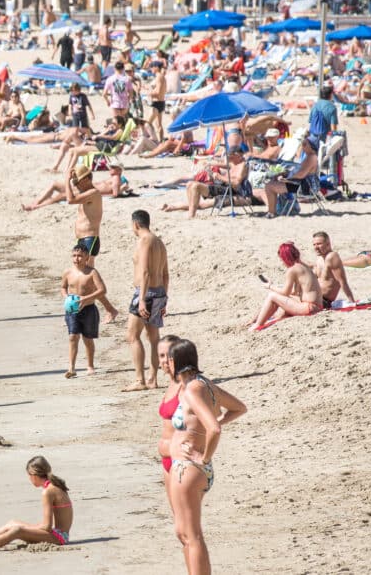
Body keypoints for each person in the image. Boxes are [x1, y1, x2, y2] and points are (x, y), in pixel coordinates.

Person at [166, 339, 246, 575]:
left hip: (189, 468)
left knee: (191, 535)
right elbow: (239, 408)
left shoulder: (192, 390)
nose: (165, 365)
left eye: (167, 360)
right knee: (184, 533)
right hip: (191, 469)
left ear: (176, 361)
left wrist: (204, 456)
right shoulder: (204, 384)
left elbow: (214, 428)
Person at [0, 456, 74, 553]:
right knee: (13, 523)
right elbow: (47, 526)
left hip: (59, 538)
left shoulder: (48, 491)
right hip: (57, 533)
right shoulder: (53, 485)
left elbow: (47, 527)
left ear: (34, 474)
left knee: (16, 530)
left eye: (29, 475)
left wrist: (25, 529)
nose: (29, 479)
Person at [125, 210, 170, 391]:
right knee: (153, 338)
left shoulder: (144, 241)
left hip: (146, 293)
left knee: (132, 335)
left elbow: (144, 272)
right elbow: (166, 275)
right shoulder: (159, 242)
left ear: (135, 224)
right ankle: (153, 379)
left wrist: (141, 299)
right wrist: (164, 299)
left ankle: (140, 380)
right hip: (159, 293)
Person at [249, 242, 325, 330]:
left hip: (310, 308)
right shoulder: (303, 266)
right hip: (317, 306)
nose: (282, 262)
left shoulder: (292, 270)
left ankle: (257, 325)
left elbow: (286, 292)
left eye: (281, 259)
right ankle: (256, 319)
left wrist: (270, 286)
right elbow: (295, 292)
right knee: (278, 297)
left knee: (272, 296)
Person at [61, 243, 107, 378]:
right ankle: (71, 367)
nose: (76, 259)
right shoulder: (68, 272)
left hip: (89, 309)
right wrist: (66, 297)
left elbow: (102, 290)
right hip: (72, 309)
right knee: (72, 337)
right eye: (74, 256)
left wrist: (86, 298)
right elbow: (63, 287)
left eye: (80, 256)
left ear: (87, 257)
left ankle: (90, 365)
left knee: (88, 339)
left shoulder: (92, 272)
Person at [155, 335, 184, 493]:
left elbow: (211, 420)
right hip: (167, 460)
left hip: (182, 461)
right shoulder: (172, 383)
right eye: (161, 356)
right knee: (177, 516)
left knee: (185, 517)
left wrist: (202, 451)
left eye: (170, 355)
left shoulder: (189, 385)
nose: (165, 360)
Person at [311, 231, 355, 309]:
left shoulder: (332, 257)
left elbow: (342, 281)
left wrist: (352, 302)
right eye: (314, 244)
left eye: (319, 244)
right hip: (312, 297)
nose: (316, 247)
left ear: (328, 244)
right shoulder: (319, 258)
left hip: (323, 301)